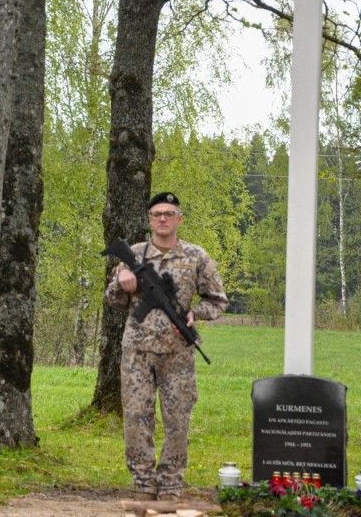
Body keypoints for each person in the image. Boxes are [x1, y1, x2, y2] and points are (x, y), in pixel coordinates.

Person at [103, 191, 229, 502]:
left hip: (178, 354)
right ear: (150, 219)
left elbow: (218, 301)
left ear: (179, 219)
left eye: (169, 214)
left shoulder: (196, 257)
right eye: (157, 214)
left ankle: (171, 484)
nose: (162, 219)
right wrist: (123, 281)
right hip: (138, 353)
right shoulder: (133, 255)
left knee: (177, 420)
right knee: (136, 418)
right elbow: (111, 300)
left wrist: (193, 313)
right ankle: (144, 483)